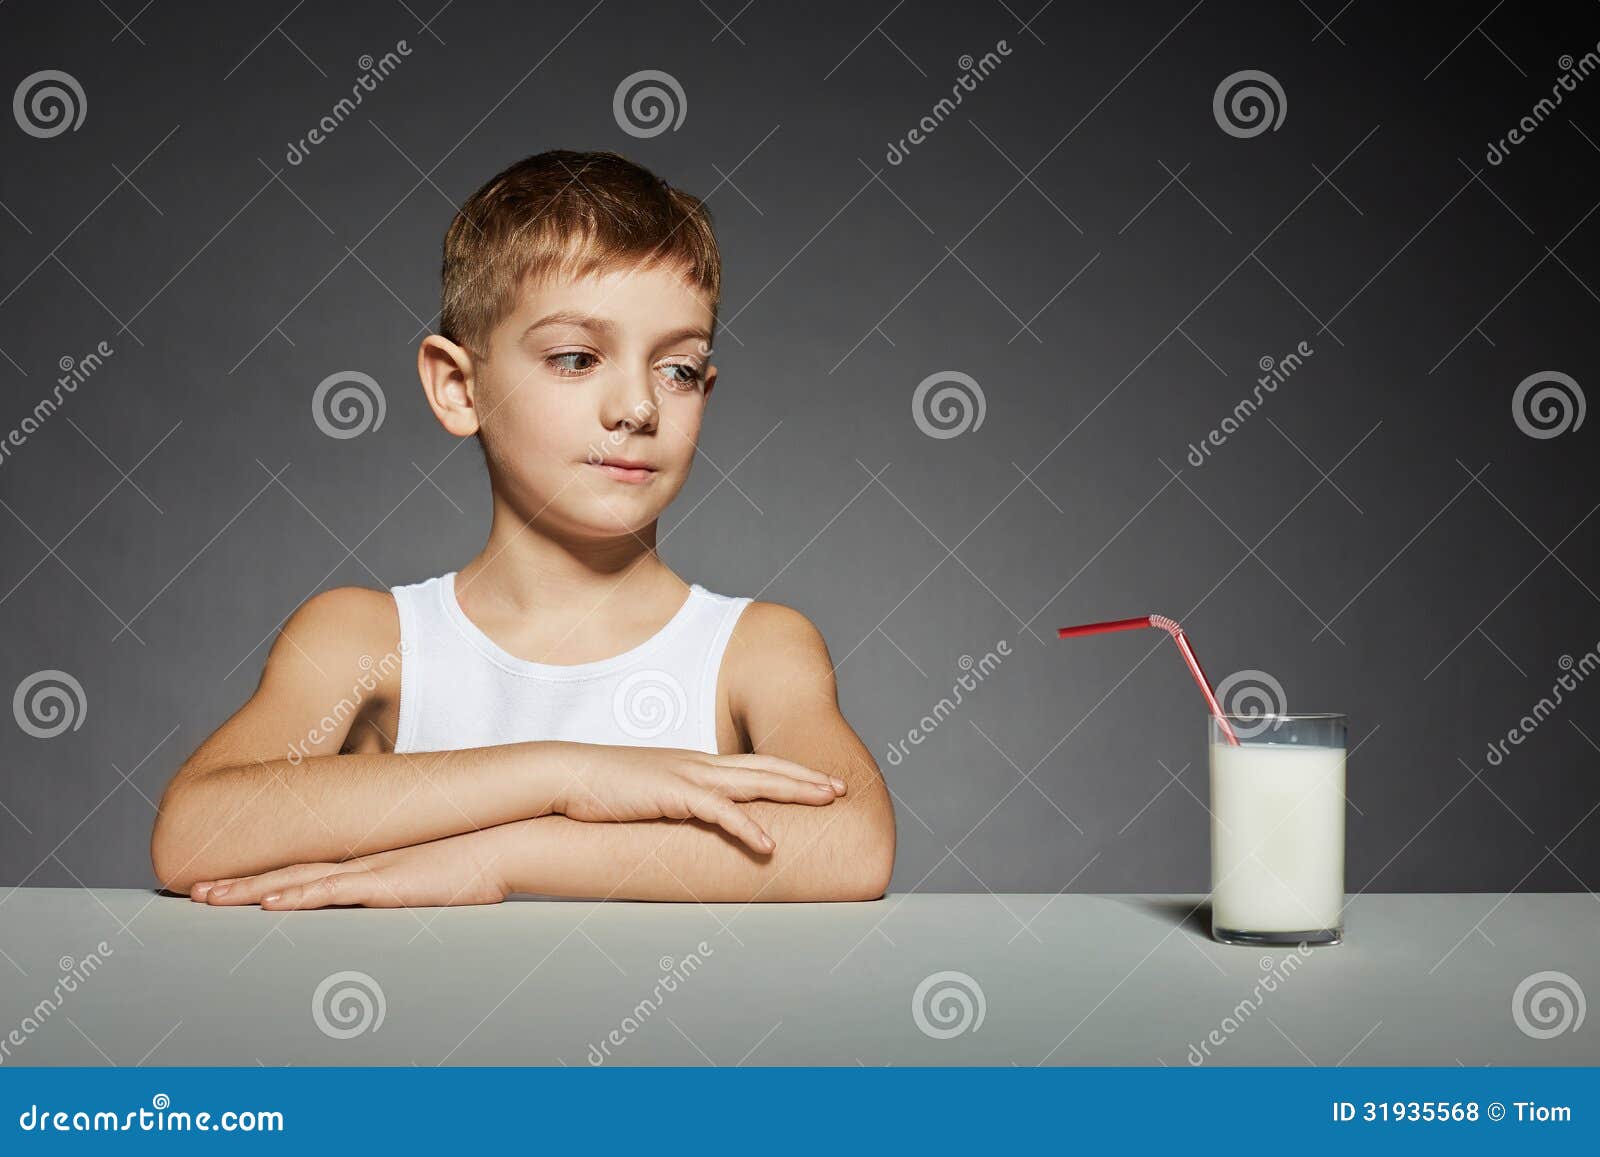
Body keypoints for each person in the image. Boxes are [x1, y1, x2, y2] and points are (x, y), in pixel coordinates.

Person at [149, 150, 896, 908]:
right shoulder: (366, 638)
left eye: (677, 368)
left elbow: (853, 844)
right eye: (576, 357)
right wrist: (567, 775)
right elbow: (193, 836)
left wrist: (501, 856)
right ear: (457, 386)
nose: (638, 407)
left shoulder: (756, 650)